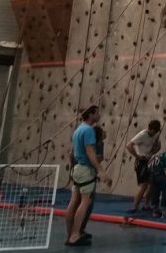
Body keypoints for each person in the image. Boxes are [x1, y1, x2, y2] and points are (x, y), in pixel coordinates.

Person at [65, 105, 109, 247]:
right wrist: (100, 170)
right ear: (91, 114)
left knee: (73, 202)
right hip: (85, 169)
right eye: (97, 113)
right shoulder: (89, 130)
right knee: (85, 203)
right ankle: (75, 235)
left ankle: (70, 234)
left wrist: (72, 169)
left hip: (77, 169)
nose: (99, 115)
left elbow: (72, 152)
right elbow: (90, 153)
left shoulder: (78, 129)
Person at [125, 119, 162, 213]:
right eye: (153, 132)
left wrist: (152, 152)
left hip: (149, 161)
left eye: (155, 133)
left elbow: (159, 146)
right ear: (150, 129)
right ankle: (135, 206)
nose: (154, 134)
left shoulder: (156, 134)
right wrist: (137, 156)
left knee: (152, 184)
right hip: (141, 162)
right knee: (144, 186)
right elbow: (129, 146)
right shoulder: (142, 135)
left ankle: (146, 204)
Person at [79, 125, 105, 236]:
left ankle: (77, 230)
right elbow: (97, 158)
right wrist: (100, 170)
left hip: (79, 170)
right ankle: (79, 230)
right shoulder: (97, 144)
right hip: (88, 172)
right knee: (87, 203)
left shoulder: (81, 139)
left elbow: (72, 155)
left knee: (78, 202)